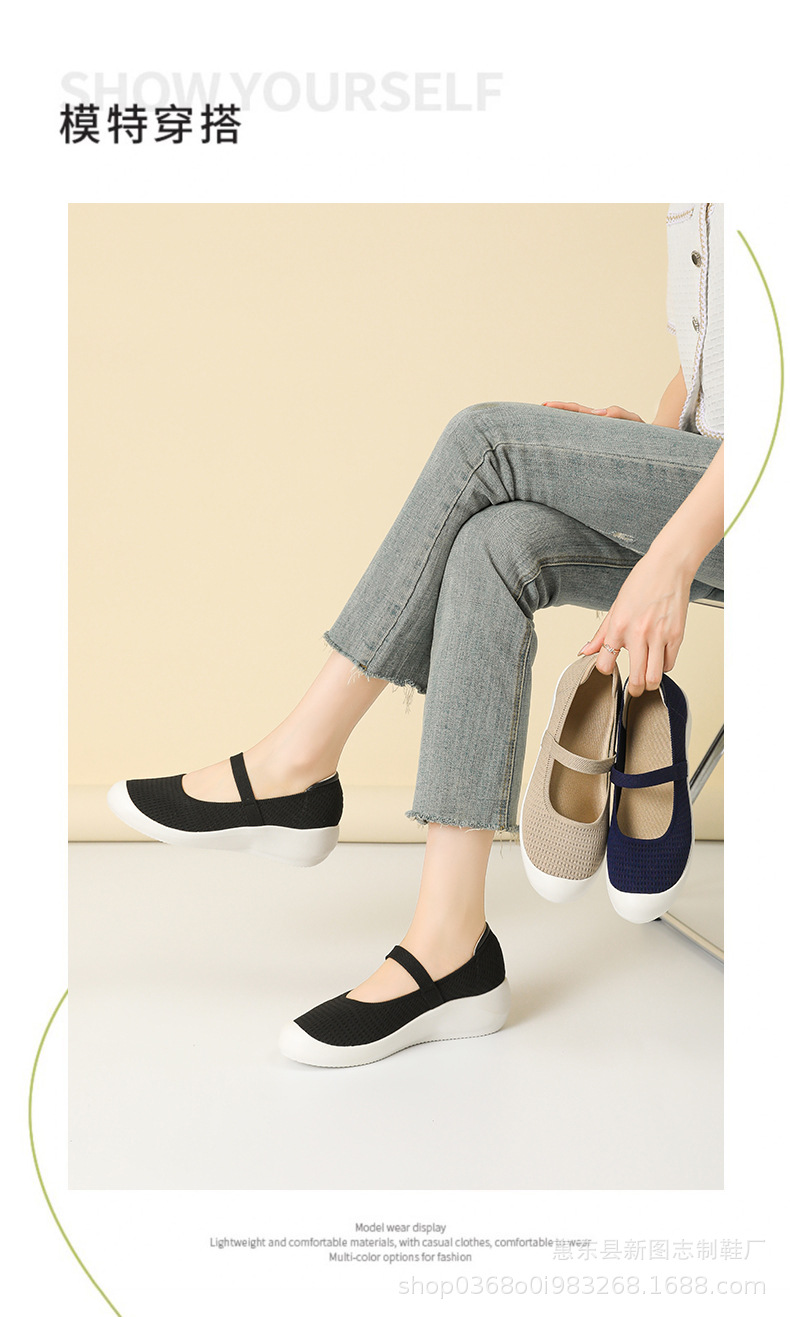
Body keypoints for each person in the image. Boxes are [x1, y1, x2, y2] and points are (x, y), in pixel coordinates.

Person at [109, 203, 724, 1066]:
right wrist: (643, 460)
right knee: (492, 541)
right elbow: (709, 367)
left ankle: (297, 763)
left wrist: (672, 554)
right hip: (713, 481)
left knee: (484, 439)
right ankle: (450, 944)